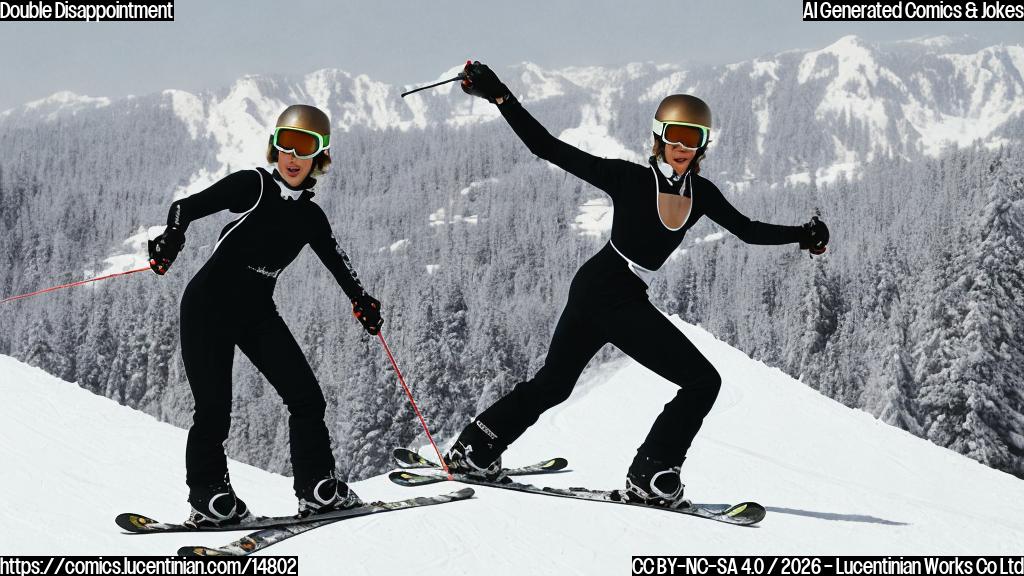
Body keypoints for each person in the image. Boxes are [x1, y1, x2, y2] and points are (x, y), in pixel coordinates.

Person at [443, 62, 829, 508]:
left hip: (607, 290)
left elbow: (748, 229)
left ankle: (475, 447)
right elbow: (546, 147)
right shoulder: (627, 178)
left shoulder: (702, 194)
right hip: (607, 288)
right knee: (702, 382)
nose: (683, 147)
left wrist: (802, 234)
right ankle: (652, 474)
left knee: (554, 384)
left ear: (704, 144)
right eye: (675, 136)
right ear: (659, 137)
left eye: (694, 138)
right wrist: (501, 95)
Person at [148, 104, 384, 527]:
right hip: (207, 307)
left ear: (320, 155)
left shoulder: (311, 217)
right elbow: (186, 207)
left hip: (256, 312)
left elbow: (337, 262)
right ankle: (208, 499)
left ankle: (317, 488)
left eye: (304, 146)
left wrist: (361, 299)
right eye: (285, 144)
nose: (293, 156)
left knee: (307, 398)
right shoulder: (253, 186)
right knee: (214, 410)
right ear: (275, 148)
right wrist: (171, 237)